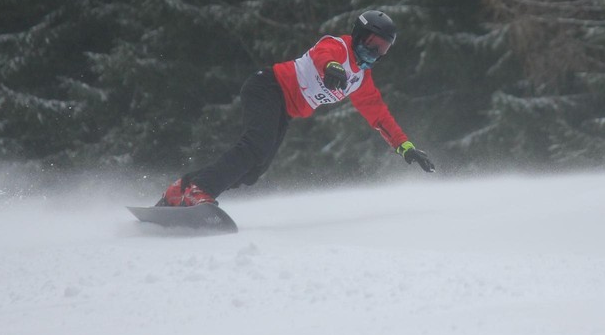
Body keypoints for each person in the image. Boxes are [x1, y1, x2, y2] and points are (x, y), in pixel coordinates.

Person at [157, 10, 434, 207]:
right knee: (255, 146)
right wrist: (332, 67)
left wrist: (405, 147)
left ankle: (181, 189)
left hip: (285, 109)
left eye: (383, 49)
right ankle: (201, 190)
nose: (375, 53)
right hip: (268, 87)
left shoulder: (361, 79)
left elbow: (379, 116)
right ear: (359, 35)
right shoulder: (337, 46)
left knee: (254, 170)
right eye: (373, 44)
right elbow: (322, 55)